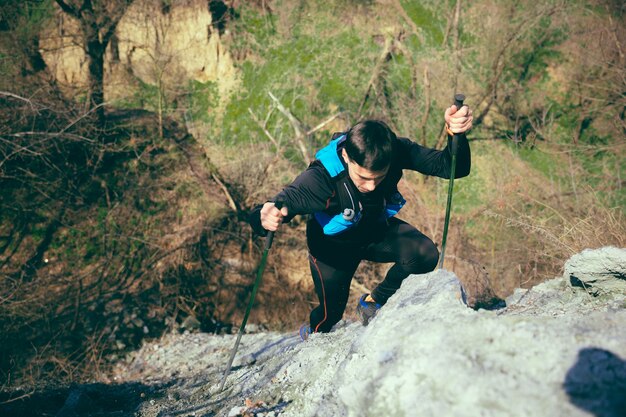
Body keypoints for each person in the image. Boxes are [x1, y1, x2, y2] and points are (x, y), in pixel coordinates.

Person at [248, 104, 473, 339]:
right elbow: (282, 202)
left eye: (379, 177)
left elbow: (452, 167)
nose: (371, 186)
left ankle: (373, 301)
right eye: (363, 177)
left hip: (373, 232)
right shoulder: (320, 178)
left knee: (425, 255)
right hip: (331, 250)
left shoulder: (394, 150)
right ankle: (310, 334)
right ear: (346, 156)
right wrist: (263, 215)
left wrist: (456, 134)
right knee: (329, 316)